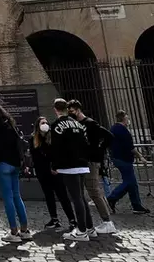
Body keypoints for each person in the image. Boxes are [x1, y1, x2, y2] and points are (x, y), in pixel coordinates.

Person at [0, 101, 32, 243]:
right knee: (17, 196)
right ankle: (25, 230)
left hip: (1, 164)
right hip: (15, 164)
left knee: (8, 198)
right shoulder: (11, 125)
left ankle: (14, 232)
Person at [66, 100, 117, 235]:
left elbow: (109, 136)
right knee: (89, 191)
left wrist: (99, 150)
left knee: (93, 190)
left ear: (78, 110)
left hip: (91, 161)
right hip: (83, 161)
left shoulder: (90, 123)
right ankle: (98, 222)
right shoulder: (77, 124)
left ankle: (107, 221)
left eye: (72, 111)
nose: (70, 114)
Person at [48, 98, 93, 243]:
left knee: (76, 198)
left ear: (55, 109)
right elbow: (86, 143)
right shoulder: (78, 124)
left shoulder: (56, 125)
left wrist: (54, 165)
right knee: (81, 197)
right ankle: (89, 228)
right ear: (67, 109)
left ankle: (81, 231)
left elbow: (56, 147)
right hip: (82, 162)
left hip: (69, 165)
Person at [30, 115, 75, 230]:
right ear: (37, 126)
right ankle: (54, 219)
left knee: (62, 196)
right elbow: (34, 156)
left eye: (46, 123)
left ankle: (72, 220)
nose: (45, 125)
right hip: (42, 172)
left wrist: (56, 167)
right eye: (42, 123)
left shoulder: (53, 137)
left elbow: (57, 154)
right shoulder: (33, 139)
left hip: (55, 171)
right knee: (49, 196)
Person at [107, 111, 150, 215]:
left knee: (132, 183)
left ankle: (136, 205)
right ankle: (112, 198)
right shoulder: (123, 131)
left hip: (117, 157)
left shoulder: (113, 128)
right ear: (124, 119)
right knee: (129, 182)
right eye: (127, 118)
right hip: (124, 159)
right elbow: (130, 147)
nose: (128, 121)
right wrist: (140, 156)